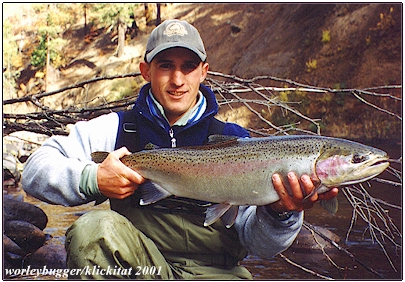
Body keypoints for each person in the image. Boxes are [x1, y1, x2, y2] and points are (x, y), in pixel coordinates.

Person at [22, 19, 338, 279]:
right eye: (165, 66)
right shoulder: (117, 130)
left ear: (204, 71)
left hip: (217, 273)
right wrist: (93, 179)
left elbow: (261, 246)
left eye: (188, 66)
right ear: (146, 71)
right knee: (93, 228)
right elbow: (36, 169)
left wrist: (280, 213)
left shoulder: (238, 142)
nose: (177, 79)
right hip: (140, 269)